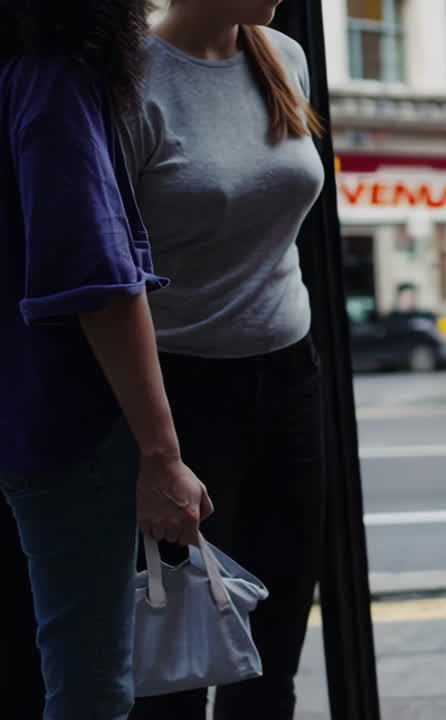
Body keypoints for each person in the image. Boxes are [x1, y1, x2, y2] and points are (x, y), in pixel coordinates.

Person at [0, 1, 213, 718]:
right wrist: (161, 454)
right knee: (91, 681)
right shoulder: (51, 79)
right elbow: (98, 284)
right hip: (67, 424)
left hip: (17, 415)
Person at [118, 1, 327, 718]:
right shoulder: (129, 78)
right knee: (177, 665)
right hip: (182, 394)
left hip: (290, 378)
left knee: (271, 658)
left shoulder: (282, 56)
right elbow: (106, 282)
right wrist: (156, 453)